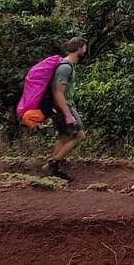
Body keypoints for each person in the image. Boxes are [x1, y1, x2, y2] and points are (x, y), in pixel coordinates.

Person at [45, 37, 89, 182]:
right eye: (84, 47)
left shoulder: (67, 65)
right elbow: (58, 92)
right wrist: (68, 114)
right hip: (63, 106)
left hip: (62, 106)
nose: (85, 50)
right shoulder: (65, 67)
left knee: (64, 137)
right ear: (79, 48)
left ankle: (51, 167)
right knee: (79, 136)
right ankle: (53, 164)